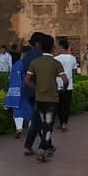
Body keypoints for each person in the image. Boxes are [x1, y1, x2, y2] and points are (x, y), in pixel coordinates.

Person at [25, 34, 66, 162]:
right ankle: (43, 148)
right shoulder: (55, 62)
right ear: (52, 47)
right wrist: (62, 89)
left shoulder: (32, 60)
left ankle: (39, 146)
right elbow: (65, 80)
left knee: (39, 121)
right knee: (47, 124)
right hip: (51, 98)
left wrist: (36, 88)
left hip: (37, 96)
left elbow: (26, 79)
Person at [5, 45, 35, 137]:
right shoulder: (27, 64)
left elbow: (10, 78)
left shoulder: (16, 64)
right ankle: (31, 128)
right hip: (25, 90)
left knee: (17, 109)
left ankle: (19, 129)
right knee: (30, 109)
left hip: (14, 91)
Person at [54, 38, 78, 131]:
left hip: (58, 84)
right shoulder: (72, 58)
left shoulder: (56, 59)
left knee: (59, 105)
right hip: (69, 85)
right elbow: (75, 71)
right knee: (67, 105)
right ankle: (64, 123)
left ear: (61, 47)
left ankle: (60, 122)